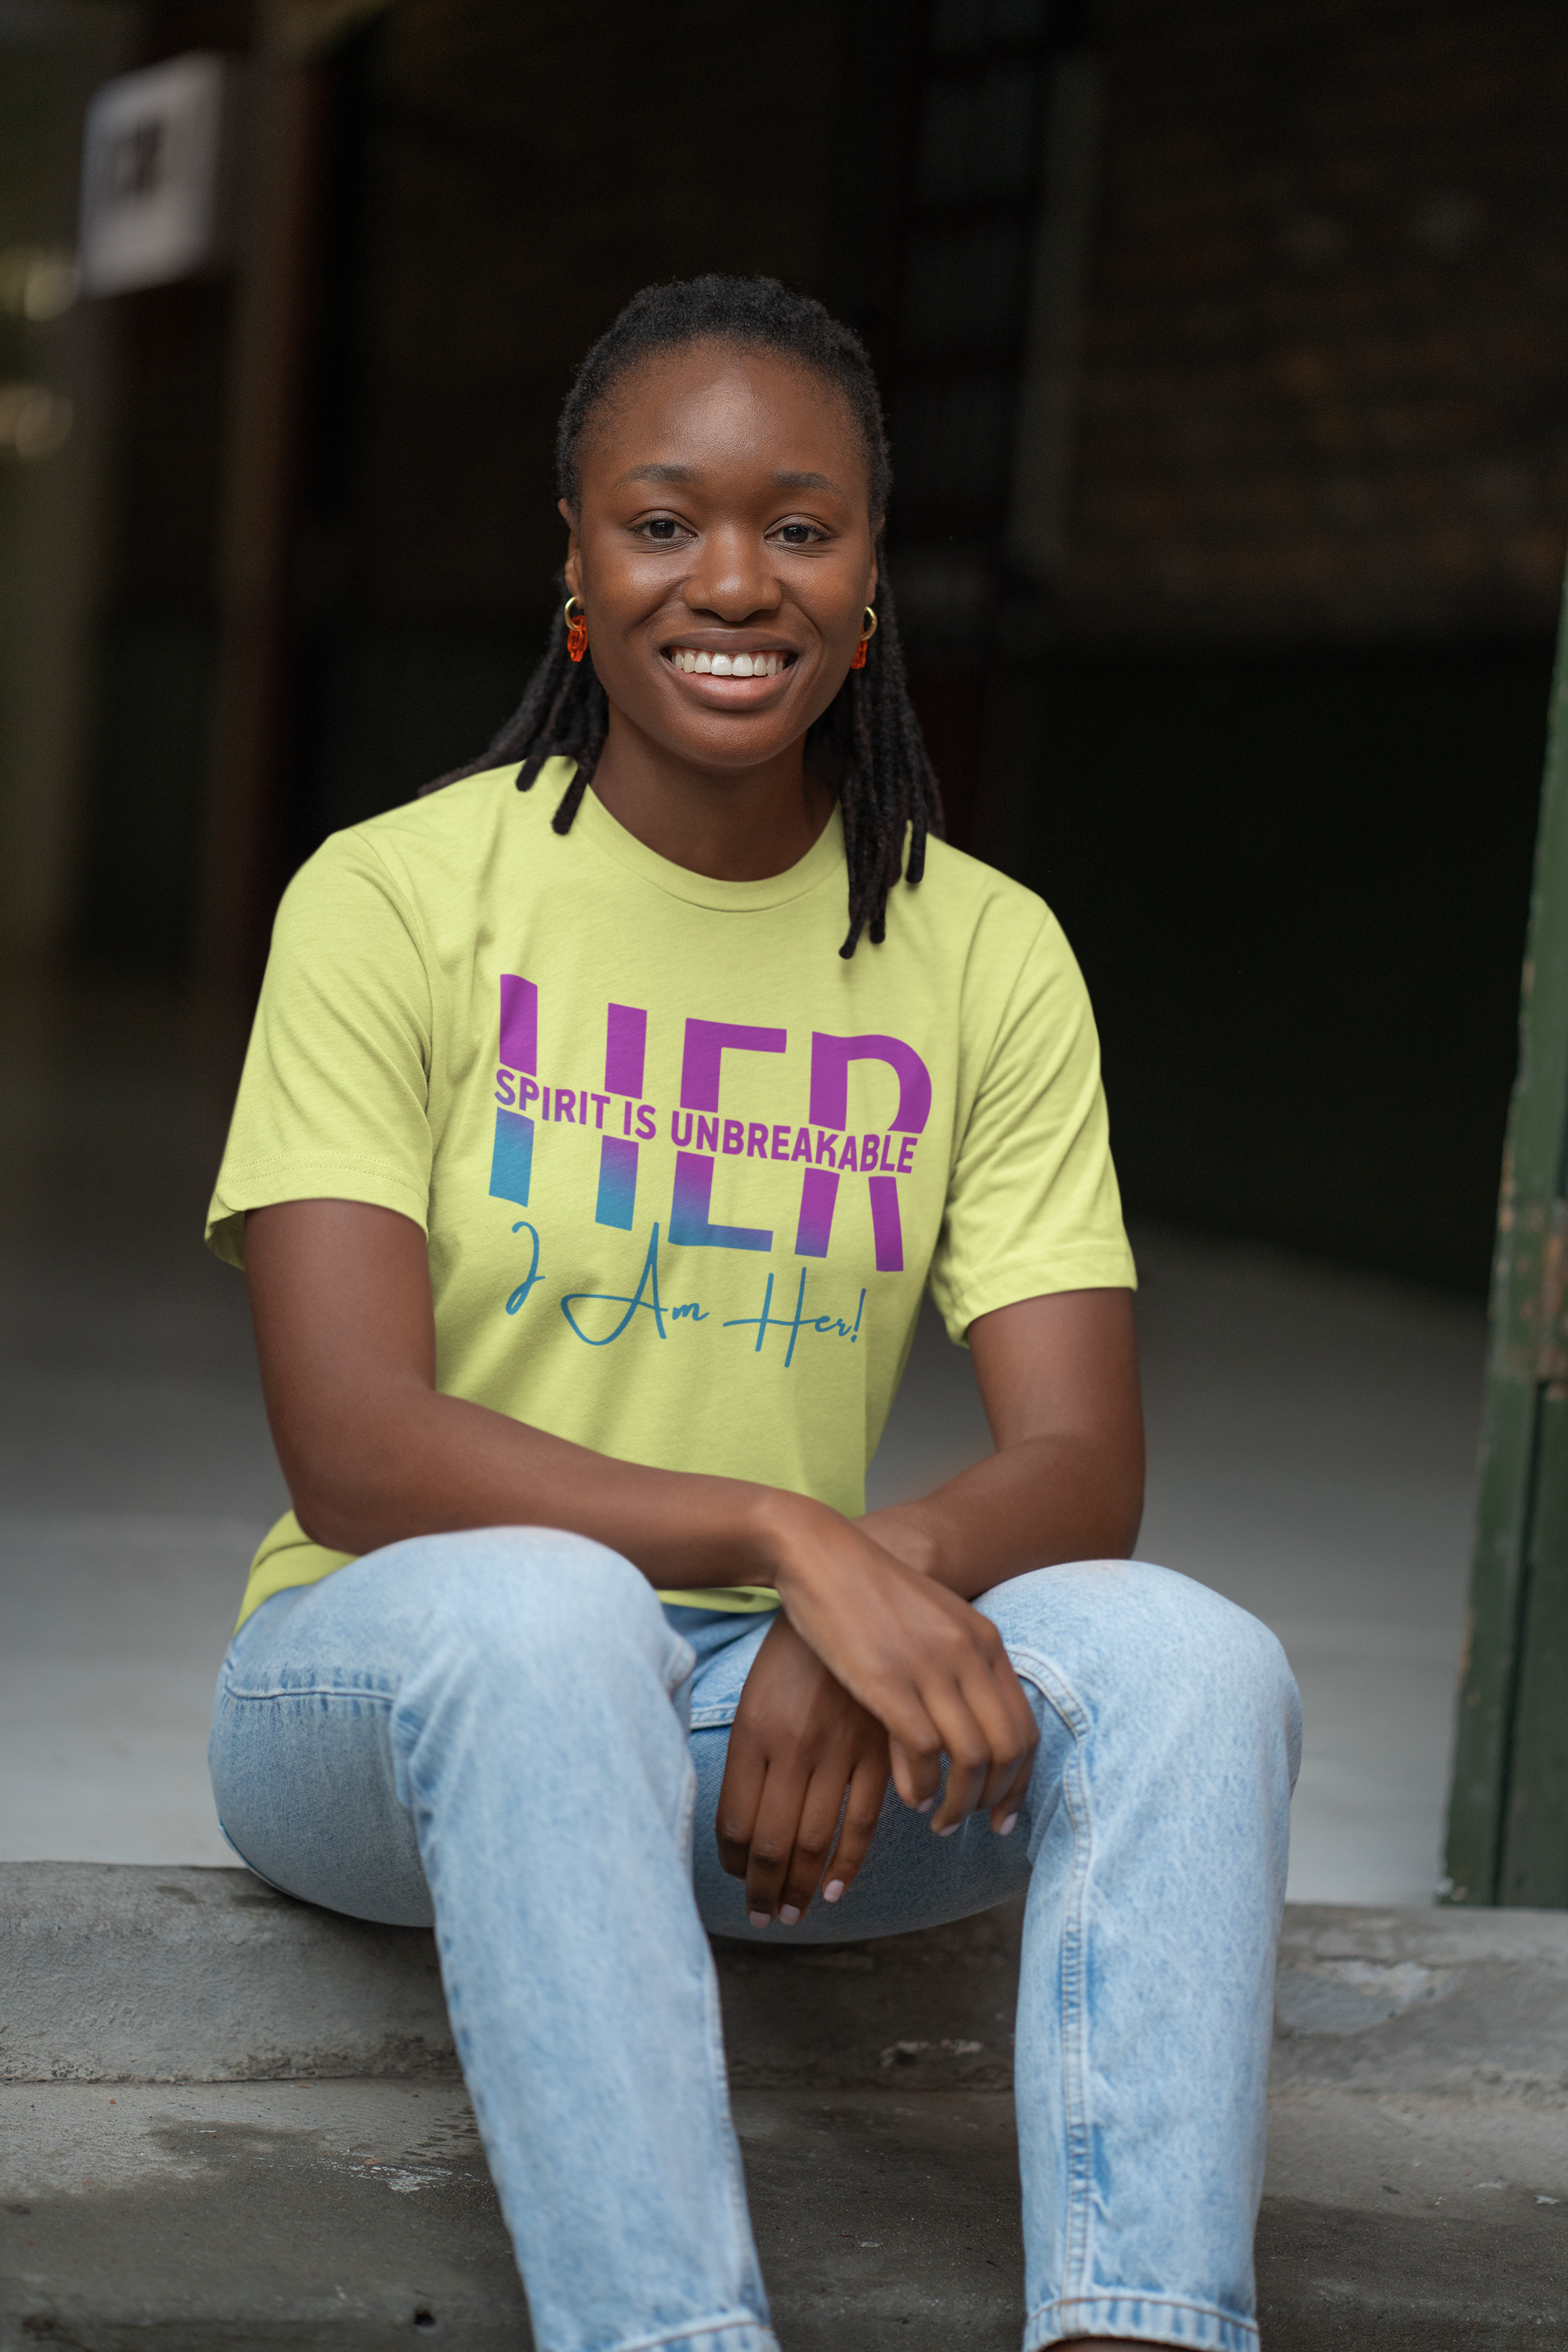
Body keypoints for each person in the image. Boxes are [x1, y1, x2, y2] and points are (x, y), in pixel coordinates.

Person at [206, 274, 1299, 2352]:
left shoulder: (984, 955)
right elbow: (352, 1447)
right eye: (662, 521)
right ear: (578, 566)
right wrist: (793, 1542)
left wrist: (853, 1595)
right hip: (391, 1695)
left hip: (762, 1747)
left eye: (800, 527)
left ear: (873, 578)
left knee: (1196, 1666)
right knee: (548, 1617)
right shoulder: (394, 896)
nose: (733, 580)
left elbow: (1086, 1460)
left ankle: (1141, 2328)